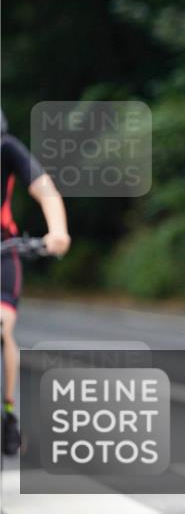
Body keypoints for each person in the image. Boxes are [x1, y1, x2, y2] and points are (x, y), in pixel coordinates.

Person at [1, 109, 71, 455]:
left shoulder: (8, 149)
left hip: (3, 251)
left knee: (2, 325)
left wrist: (57, 231)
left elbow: (46, 191)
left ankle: (8, 411)